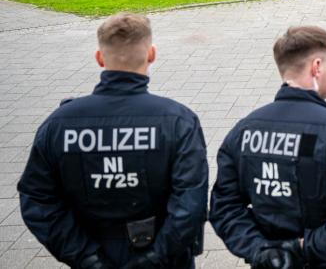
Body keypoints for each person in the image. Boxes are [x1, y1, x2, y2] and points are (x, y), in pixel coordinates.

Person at [18, 13, 208, 269]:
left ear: (99, 58)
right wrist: (156, 257)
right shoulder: (178, 121)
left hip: (91, 250)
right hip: (165, 259)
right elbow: (191, 202)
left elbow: (38, 199)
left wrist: (86, 257)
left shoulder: (59, 124)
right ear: (151, 54)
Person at [209, 25, 326, 268]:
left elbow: (224, 208)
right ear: (317, 67)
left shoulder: (244, 131)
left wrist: (263, 251)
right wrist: (303, 248)